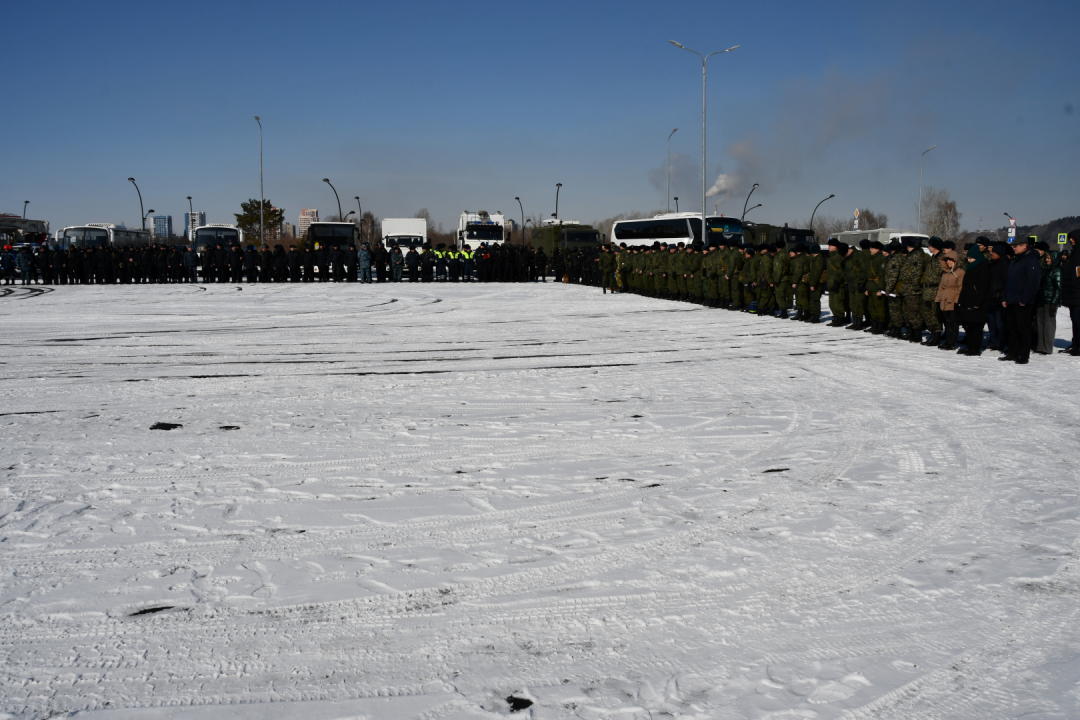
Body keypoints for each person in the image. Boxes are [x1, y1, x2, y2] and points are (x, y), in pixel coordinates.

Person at [1001, 236, 1042, 364]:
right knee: (1012, 329)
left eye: (1016, 246)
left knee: (1023, 329)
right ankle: (1013, 353)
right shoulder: (1015, 260)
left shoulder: (1031, 260)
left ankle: (1024, 355)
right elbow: (1009, 281)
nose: (1014, 248)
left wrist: (1025, 299)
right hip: (1012, 299)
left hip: (1022, 302)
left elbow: (1033, 283)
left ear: (1024, 246)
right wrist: (1005, 297)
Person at [956, 242, 991, 355]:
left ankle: (975, 348)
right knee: (968, 326)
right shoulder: (970, 268)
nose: (969, 260)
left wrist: (978, 302)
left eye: (972, 258)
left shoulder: (983, 268)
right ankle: (969, 346)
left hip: (977, 302)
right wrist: (961, 300)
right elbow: (965, 286)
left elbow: (983, 287)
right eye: (969, 258)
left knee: (976, 327)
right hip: (967, 301)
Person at [1033, 240, 1061, 355]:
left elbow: (1059, 288)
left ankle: (1047, 347)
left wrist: (1054, 302)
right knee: (1040, 324)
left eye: (1049, 258)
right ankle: (1040, 345)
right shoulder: (1045, 270)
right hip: (1041, 300)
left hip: (1049, 301)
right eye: (1047, 258)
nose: (1047, 259)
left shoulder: (1057, 271)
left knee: (1049, 324)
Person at [934, 249, 965, 350]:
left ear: (955, 261)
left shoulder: (960, 272)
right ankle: (948, 340)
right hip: (944, 300)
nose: (948, 262)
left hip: (953, 300)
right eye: (947, 260)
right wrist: (938, 299)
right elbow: (941, 287)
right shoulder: (945, 273)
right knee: (947, 322)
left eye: (950, 260)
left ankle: (951, 342)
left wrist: (957, 300)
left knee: (953, 322)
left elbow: (961, 288)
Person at [1059, 231, 1080, 355]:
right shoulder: (1074, 253)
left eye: (1072, 238)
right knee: (1074, 320)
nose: (1070, 240)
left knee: (1078, 320)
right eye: (1069, 238)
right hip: (1072, 293)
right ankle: (1076, 344)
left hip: (1077, 293)